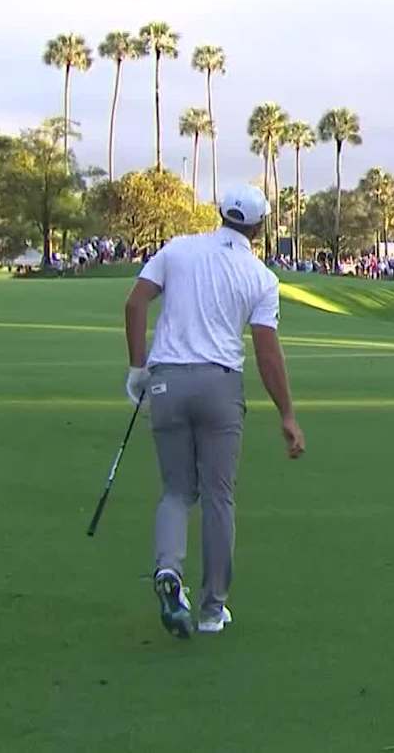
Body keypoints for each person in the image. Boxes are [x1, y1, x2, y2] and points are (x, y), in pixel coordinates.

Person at [121, 184, 306, 639]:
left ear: (220, 213)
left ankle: (168, 571)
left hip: (167, 381)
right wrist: (287, 414)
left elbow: (135, 302)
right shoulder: (261, 277)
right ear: (260, 228)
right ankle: (211, 609)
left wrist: (137, 368)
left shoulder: (179, 249)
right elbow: (267, 353)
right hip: (220, 386)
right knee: (219, 497)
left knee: (177, 492)